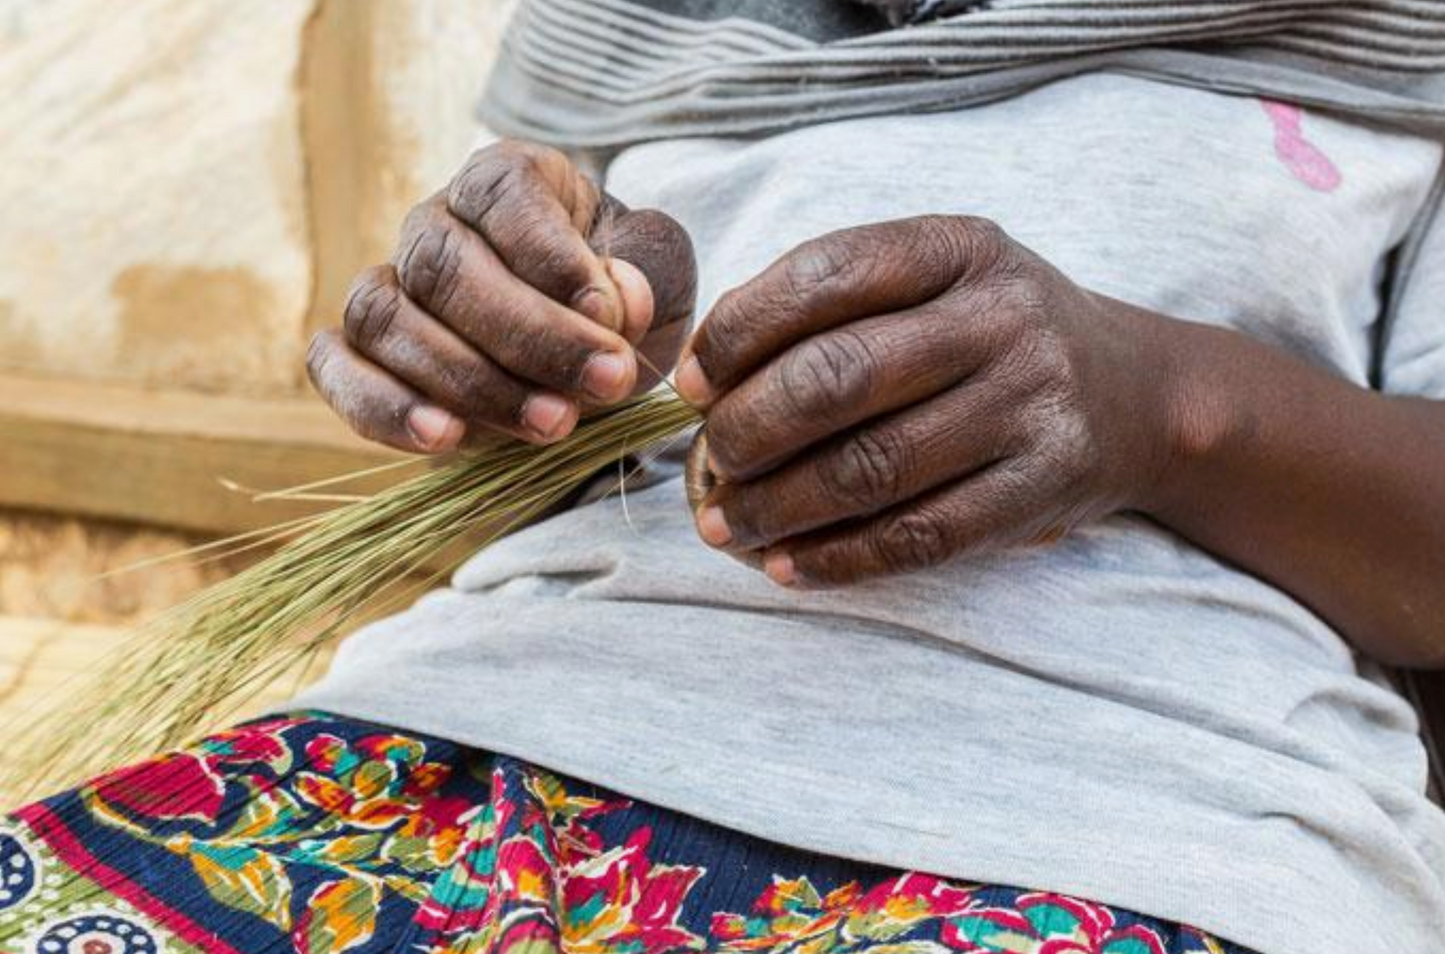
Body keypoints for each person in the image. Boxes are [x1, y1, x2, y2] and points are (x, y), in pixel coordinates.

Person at [5, 2, 1445, 953]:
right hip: (462, 750)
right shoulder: (644, 21)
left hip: (1127, 821)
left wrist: (1160, 403)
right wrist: (533, 334)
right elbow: (543, 348)